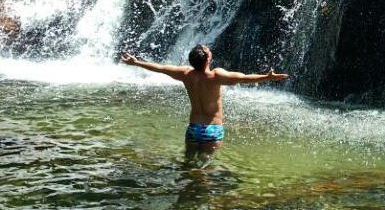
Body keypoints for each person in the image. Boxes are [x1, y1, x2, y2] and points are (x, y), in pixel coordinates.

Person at [120, 44, 288, 162]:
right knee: (204, 168)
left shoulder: (185, 74)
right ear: (207, 59)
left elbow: (160, 68)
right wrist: (267, 77)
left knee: (187, 164)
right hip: (213, 130)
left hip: (193, 129)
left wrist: (136, 63)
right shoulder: (216, 76)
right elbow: (243, 78)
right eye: (209, 52)